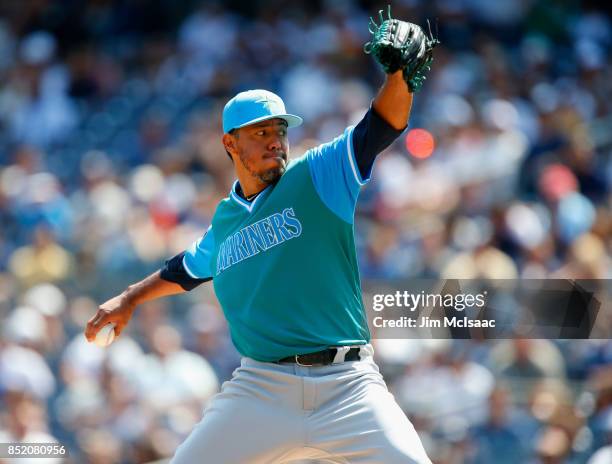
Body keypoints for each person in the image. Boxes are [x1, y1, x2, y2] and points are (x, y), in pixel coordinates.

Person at [86, 17, 434, 463]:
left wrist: (399, 76)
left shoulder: (317, 175)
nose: (275, 142)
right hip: (260, 389)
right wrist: (130, 299)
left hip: (348, 387)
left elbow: (381, 126)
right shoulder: (226, 220)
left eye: (280, 131)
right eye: (261, 133)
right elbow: (186, 269)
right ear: (230, 144)